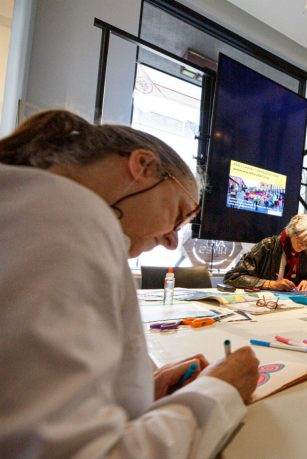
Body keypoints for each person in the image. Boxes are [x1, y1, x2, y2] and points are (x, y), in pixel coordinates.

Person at [0, 110, 262, 459]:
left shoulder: (29, 205)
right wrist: (219, 391)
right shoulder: (71, 215)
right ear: (142, 166)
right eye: (180, 213)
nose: (172, 241)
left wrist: (137, 394)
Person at [224, 214, 307, 291]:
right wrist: (270, 284)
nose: (304, 246)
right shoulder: (267, 246)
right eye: (301, 241)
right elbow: (233, 277)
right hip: (263, 302)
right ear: (292, 231)